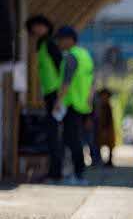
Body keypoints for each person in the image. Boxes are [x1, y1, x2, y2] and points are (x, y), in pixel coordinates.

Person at [54, 26, 94, 185]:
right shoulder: (85, 56)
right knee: (75, 139)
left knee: (72, 140)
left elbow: (66, 81)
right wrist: (89, 102)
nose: (59, 43)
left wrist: (58, 101)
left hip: (71, 104)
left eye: (61, 39)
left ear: (70, 39)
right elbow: (91, 81)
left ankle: (78, 175)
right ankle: (76, 174)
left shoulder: (71, 56)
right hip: (82, 105)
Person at [25, 15, 63, 181]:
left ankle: (56, 171)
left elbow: (59, 66)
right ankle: (54, 170)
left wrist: (60, 97)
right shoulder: (41, 45)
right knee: (52, 132)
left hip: (55, 93)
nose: (38, 29)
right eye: (35, 27)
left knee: (53, 132)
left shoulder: (49, 44)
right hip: (49, 93)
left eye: (41, 26)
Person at [95, 88, 116, 167]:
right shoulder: (99, 107)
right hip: (101, 129)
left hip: (108, 129)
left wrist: (106, 130)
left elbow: (109, 120)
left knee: (110, 145)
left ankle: (109, 161)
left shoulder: (108, 107)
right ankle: (98, 159)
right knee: (98, 144)